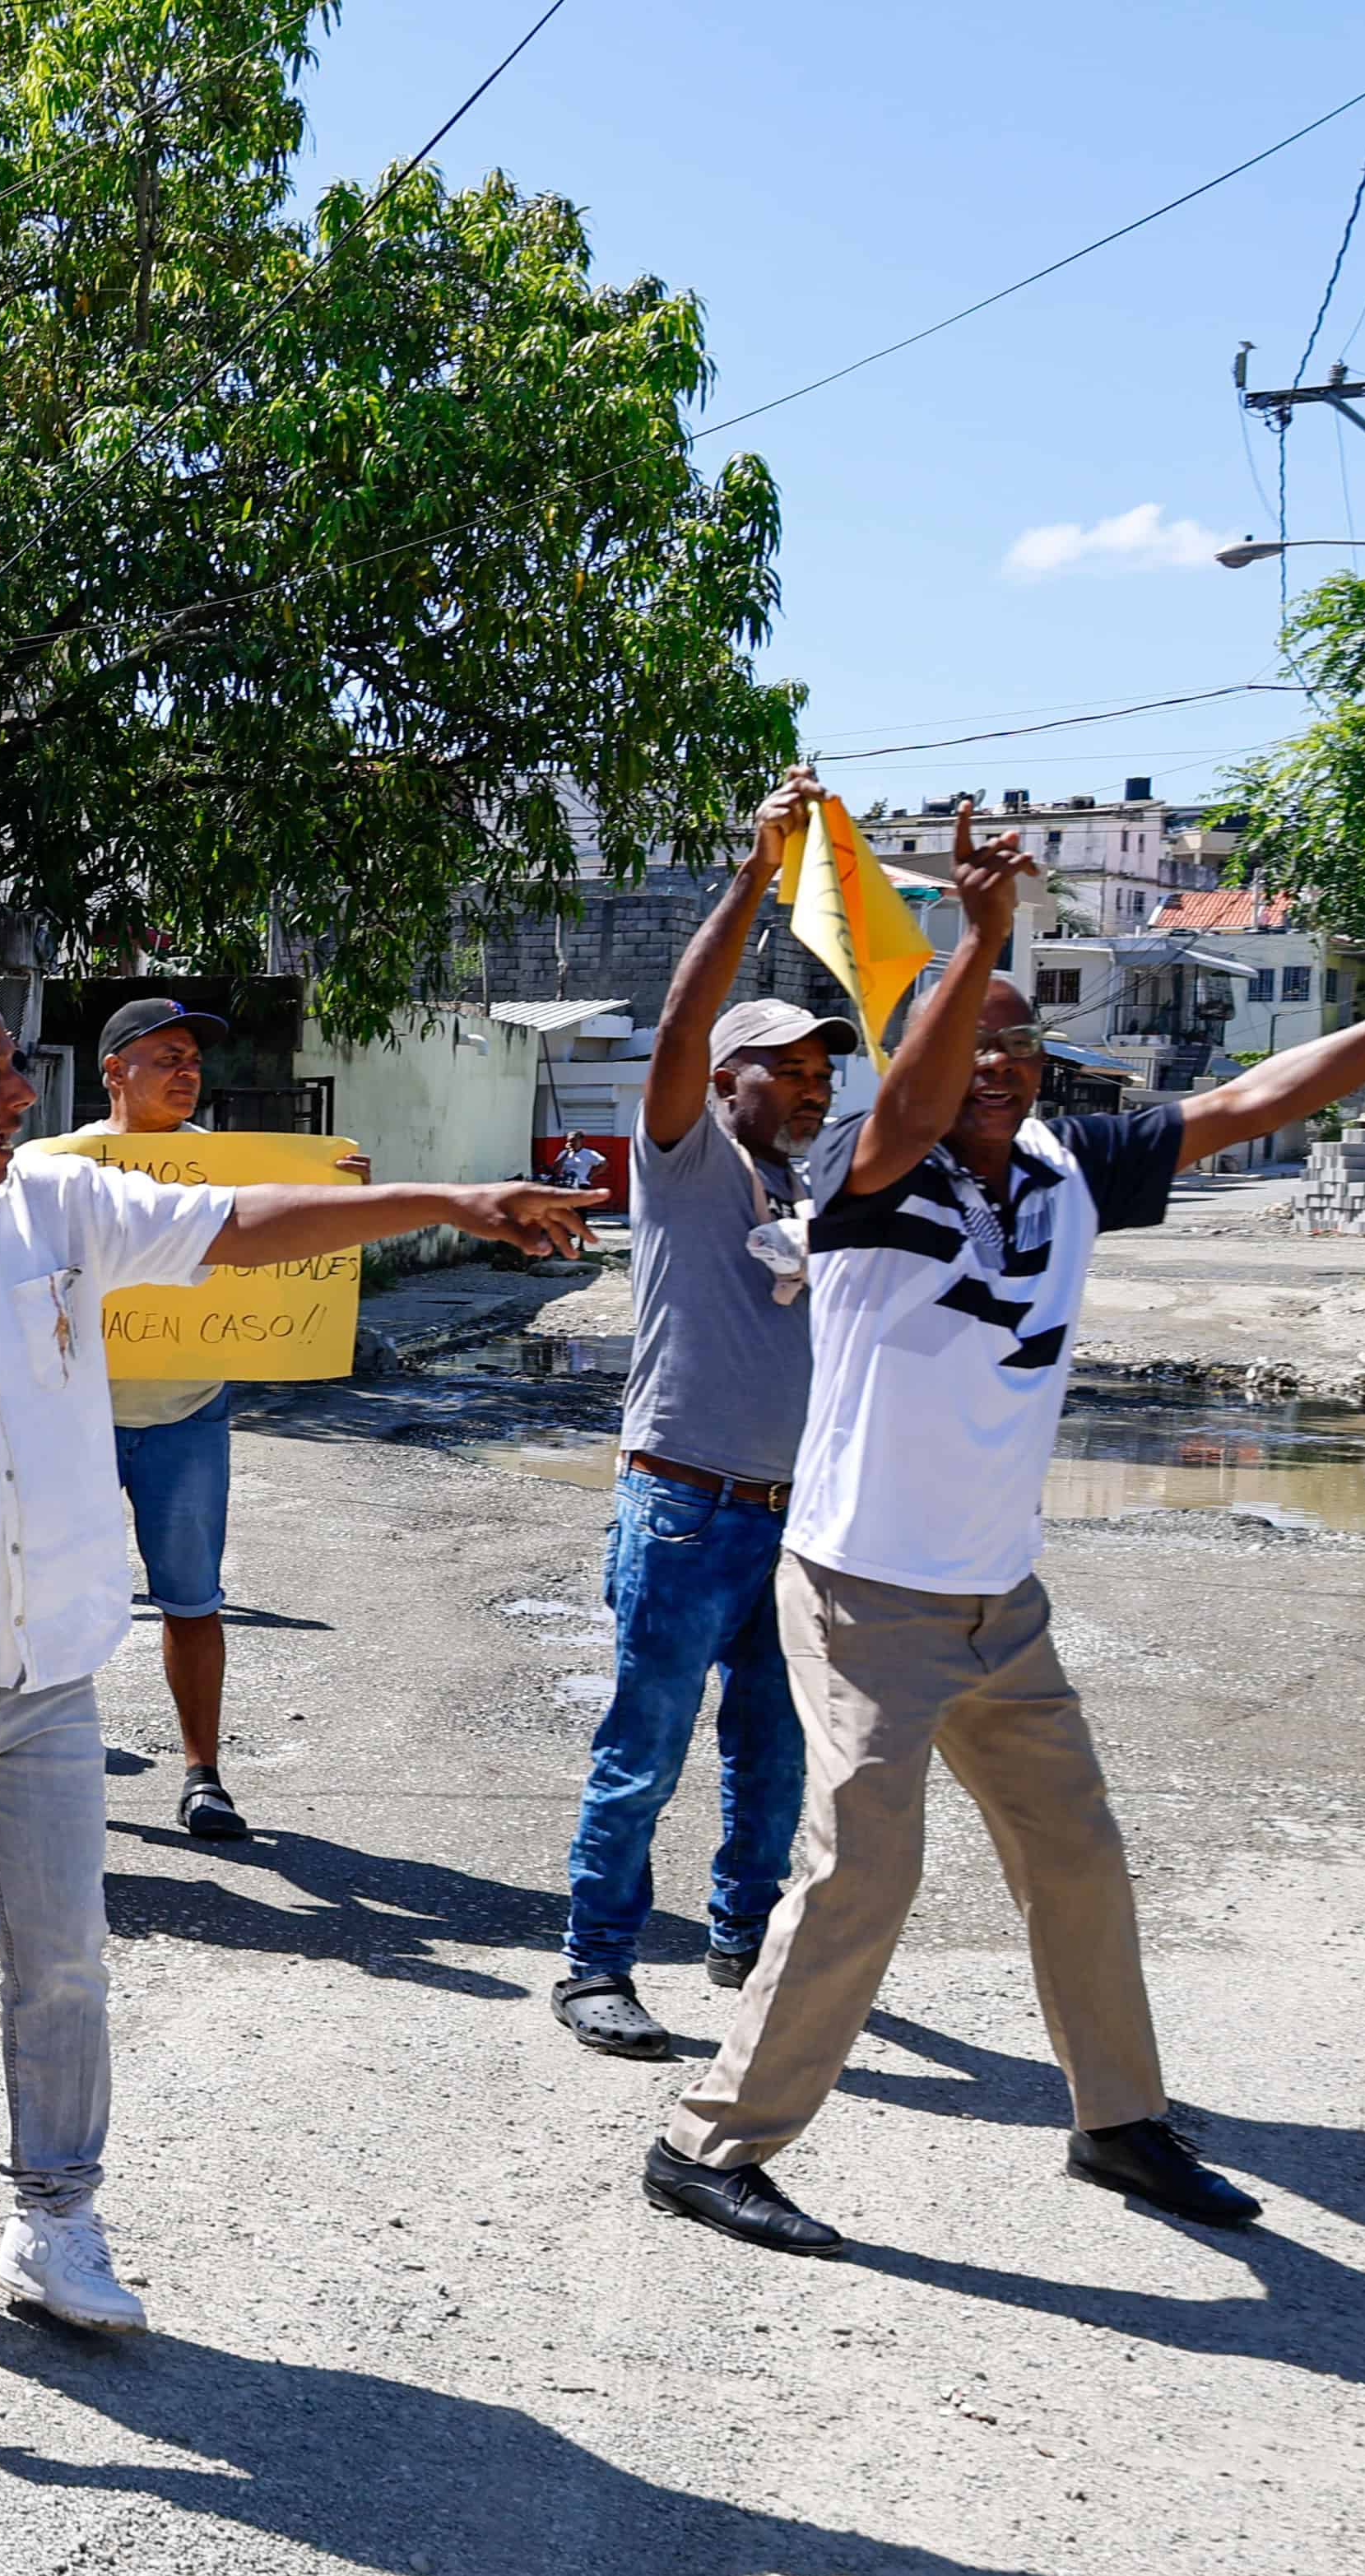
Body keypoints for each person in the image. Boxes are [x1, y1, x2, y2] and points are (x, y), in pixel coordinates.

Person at [638, 821, 1365, 2258]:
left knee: (1079, 1851)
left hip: (996, 1599)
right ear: (923, 1052)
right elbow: (908, 1104)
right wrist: (974, 942)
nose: (1003, 1057)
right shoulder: (865, 1174)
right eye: (975, 1036)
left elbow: (1275, 1082)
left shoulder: (1069, 1167)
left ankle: (1117, 2119)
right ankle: (707, 2143)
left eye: (1022, 1039)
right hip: (862, 1593)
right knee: (861, 1869)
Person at [0, 983, 593, 2342]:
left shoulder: (53, 1208)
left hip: (42, 1676)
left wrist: (442, 1201)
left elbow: (239, 1224)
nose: (23, 1097)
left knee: (64, 1963)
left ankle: (55, 2220)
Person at [550, 771, 845, 2058]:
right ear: (727, 1079)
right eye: (791, 1070)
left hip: (798, 1519)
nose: (818, 1089)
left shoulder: (816, 1179)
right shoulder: (684, 1157)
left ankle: (743, 1940)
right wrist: (756, 878)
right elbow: (677, 1026)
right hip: (685, 1508)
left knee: (774, 1757)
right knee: (645, 1748)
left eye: (826, 1070)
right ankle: (594, 1964)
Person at [26, 997, 366, 1844]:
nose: (187, 1071)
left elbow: (296, 1238)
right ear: (113, 1071)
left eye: (193, 1059)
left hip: (188, 1412)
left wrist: (341, 1196)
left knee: (192, 1599)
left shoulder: (238, 1166)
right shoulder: (48, 1165)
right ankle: (39, 1770)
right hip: (72, 1421)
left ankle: (201, 1773)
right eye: (166, 1055)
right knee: (48, 1601)